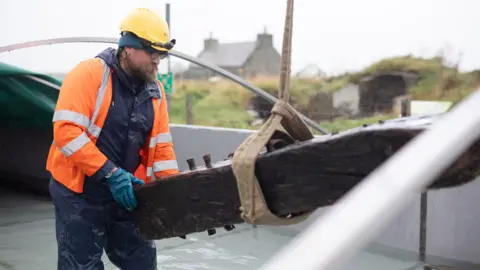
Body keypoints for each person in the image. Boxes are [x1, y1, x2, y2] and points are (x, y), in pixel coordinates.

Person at [45, 7, 179, 270]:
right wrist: (110, 174)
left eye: (161, 54)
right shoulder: (89, 74)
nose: (157, 60)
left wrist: (172, 192)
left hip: (127, 192)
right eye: (152, 52)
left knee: (141, 262)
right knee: (80, 265)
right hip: (79, 193)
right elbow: (66, 132)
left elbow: (161, 147)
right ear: (128, 48)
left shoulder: (156, 91)